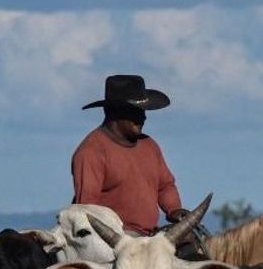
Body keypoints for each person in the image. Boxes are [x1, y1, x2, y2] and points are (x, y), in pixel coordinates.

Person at [72, 74, 187, 236]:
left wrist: (174, 209)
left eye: (143, 111)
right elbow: (87, 209)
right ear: (115, 112)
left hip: (151, 235)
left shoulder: (149, 146)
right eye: (135, 112)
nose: (143, 117)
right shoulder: (91, 151)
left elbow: (165, 186)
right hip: (115, 237)